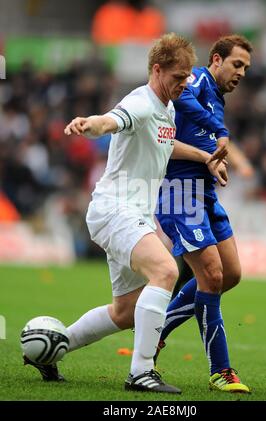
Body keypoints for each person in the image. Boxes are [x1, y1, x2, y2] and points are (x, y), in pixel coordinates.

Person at [23, 33, 228, 394]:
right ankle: (141, 372)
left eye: (186, 77)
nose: (184, 84)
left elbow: (165, 142)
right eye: (178, 77)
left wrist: (204, 158)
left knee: (125, 312)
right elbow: (111, 120)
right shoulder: (141, 102)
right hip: (115, 208)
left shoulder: (165, 107)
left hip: (128, 212)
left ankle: (51, 348)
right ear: (157, 69)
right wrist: (90, 124)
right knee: (165, 270)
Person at [155, 34, 252, 393]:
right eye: (237, 64)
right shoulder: (194, 79)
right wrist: (219, 131)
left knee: (230, 274)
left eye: (246, 68)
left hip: (205, 193)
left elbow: (202, 139)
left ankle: (156, 330)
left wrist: (216, 163)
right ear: (216, 59)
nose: (241, 72)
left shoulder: (218, 98)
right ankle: (221, 371)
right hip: (180, 194)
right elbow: (181, 102)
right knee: (211, 276)